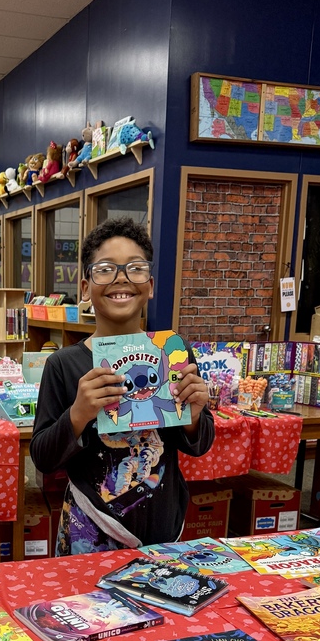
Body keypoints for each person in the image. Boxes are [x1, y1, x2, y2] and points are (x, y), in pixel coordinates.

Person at [30, 216, 214, 554]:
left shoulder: (173, 352)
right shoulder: (64, 364)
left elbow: (199, 444)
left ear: (151, 284)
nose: (122, 279)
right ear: (84, 287)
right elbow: (43, 457)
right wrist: (78, 414)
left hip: (164, 529)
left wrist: (193, 415)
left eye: (135, 268)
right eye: (105, 269)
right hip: (91, 530)